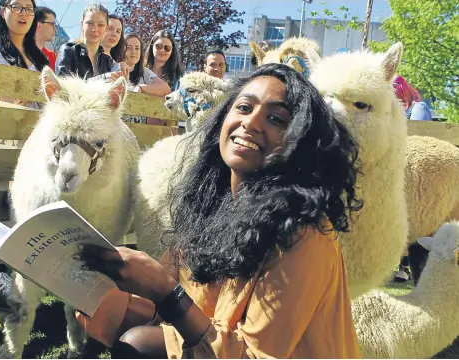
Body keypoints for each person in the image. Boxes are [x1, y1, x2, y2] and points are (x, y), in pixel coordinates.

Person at [76, 63, 363, 358]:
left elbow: (255, 355)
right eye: (243, 107)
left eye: (276, 119)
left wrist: (164, 290)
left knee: (140, 345)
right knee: (115, 312)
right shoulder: (211, 207)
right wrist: (95, 281)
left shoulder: (304, 233)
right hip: (215, 345)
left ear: (301, 143)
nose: (251, 123)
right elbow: (164, 300)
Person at [393, 75, 431, 283]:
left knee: (413, 215)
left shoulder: (418, 108)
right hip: (397, 167)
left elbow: (422, 140)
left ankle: (406, 265)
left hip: (417, 171)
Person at [0, 0, 48, 106]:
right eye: (16, 7)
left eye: (29, 9)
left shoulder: (40, 58)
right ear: (2, 12)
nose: (23, 13)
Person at [116, 33, 171, 124]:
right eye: (129, 47)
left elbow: (166, 89)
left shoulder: (144, 72)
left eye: (137, 48)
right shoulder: (114, 68)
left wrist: (142, 88)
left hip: (139, 128)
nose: (133, 51)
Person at [56, 3, 113, 79]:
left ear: (106, 28)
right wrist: (102, 78)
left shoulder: (107, 61)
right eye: (90, 23)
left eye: (100, 25)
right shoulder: (68, 50)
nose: (94, 29)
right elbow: (63, 84)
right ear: (82, 24)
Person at [34, 6, 56, 70]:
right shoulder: (20, 51)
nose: (55, 29)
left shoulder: (52, 56)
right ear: (39, 25)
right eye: (52, 24)